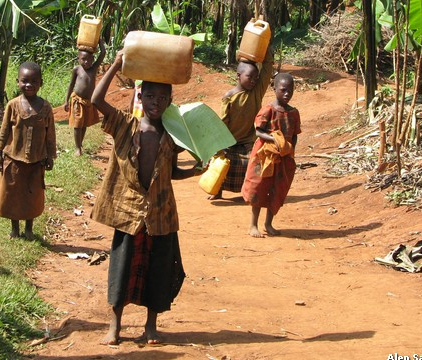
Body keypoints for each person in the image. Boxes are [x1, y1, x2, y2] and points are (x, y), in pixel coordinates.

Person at [91, 51, 202, 346]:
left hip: (160, 213)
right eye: (150, 97)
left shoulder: (174, 135)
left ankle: (150, 326)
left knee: (158, 269)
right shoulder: (125, 125)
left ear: (169, 102)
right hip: (127, 212)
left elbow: (171, 173)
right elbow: (95, 101)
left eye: (162, 99)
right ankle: (114, 326)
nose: (155, 103)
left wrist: (194, 171)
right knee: (122, 268)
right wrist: (115, 64)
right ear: (140, 96)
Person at [0, 62, 56, 241]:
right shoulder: (13, 106)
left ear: (40, 83)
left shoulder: (45, 108)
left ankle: (29, 229)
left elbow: (50, 133)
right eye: (25, 81)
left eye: (34, 81)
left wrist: (50, 155)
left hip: (37, 161)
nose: (29, 85)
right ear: (18, 82)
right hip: (13, 159)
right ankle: (15, 229)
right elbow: (4, 130)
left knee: (32, 195)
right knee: (13, 194)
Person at [208, 50, 273, 200]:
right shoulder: (229, 97)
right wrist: (220, 145)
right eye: (250, 77)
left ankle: (249, 191)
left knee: (255, 162)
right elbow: (223, 122)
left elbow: (267, 70)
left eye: (256, 78)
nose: (253, 81)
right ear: (238, 76)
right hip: (229, 141)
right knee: (219, 162)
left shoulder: (256, 92)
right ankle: (217, 189)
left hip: (248, 141)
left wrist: (267, 49)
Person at [241, 73, 300, 237]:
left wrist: (289, 148)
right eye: (283, 90)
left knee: (277, 188)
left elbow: (294, 134)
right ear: (274, 89)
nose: (287, 94)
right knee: (259, 187)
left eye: (290, 90)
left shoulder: (294, 113)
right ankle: (253, 225)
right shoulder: (268, 110)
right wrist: (275, 140)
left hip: (283, 157)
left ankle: (268, 223)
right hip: (264, 156)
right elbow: (259, 131)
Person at [64, 39, 106, 156]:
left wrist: (99, 42)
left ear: (93, 60)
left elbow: (103, 53)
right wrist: (66, 100)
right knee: (77, 124)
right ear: (78, 58)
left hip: (88, 102)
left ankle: (80, 144)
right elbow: (71, 85)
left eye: (89, 59)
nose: (86, 62)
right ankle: (77, 148)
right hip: (77, 99)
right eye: (83, 59)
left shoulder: (94, 68)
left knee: (84, 124)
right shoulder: (77, 70)